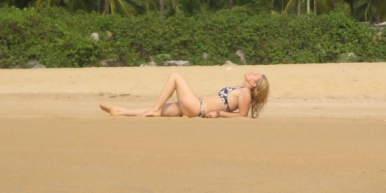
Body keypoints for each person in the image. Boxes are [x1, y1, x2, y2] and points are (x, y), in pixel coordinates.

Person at [99, 71, 270, 119]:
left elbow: (242, 116)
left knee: (175, 76)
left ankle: (156, 108)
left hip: (197, 107)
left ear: (254, 84)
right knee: (154, 111)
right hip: (196, 106)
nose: (253, 72)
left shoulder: (246, 93)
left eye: (256, 75)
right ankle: (120, 111)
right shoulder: (241, 89)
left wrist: (218, 114)